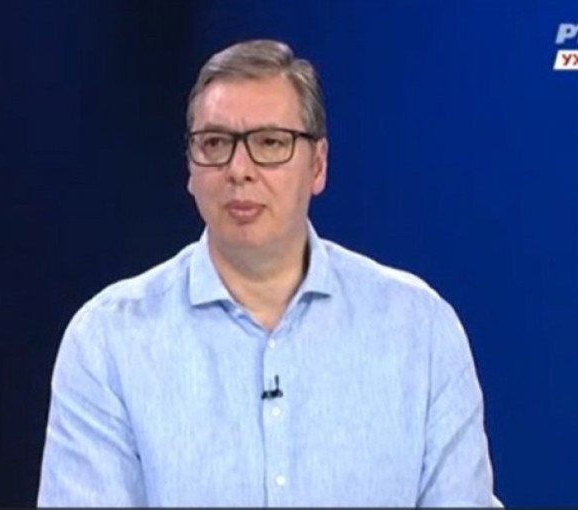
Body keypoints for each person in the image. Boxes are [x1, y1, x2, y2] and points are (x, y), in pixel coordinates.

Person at [37, 39, 501, 507]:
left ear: (317, 165)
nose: (239, 169)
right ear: (190, 169)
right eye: (215, 143)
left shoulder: (420, 330)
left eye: (270, 143)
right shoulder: (108, 341)